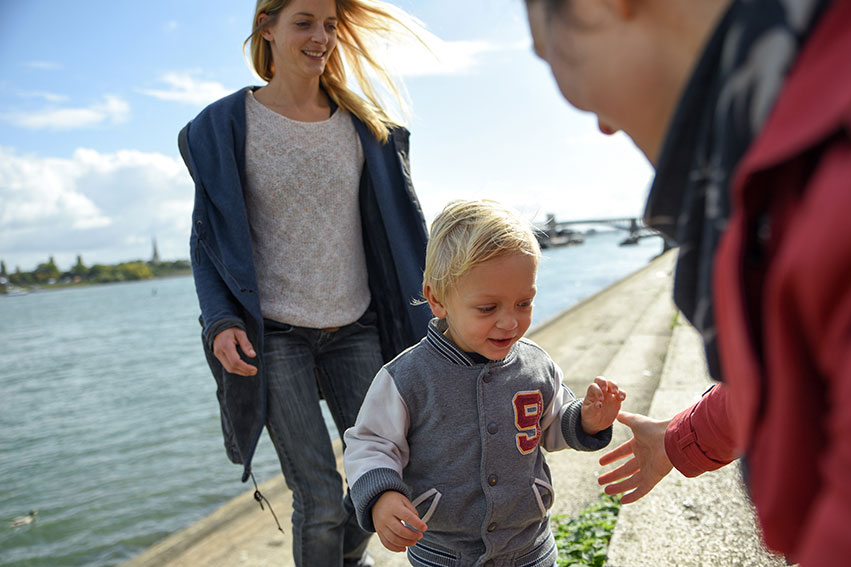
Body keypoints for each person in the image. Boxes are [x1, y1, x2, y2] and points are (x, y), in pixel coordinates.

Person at [523, 0, 851, 565]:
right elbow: (801, 362)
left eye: (551, 57)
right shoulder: (832, 147)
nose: (604, 124)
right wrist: (680, 439)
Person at [177, 1, 434, 565]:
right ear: (266, 27)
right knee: (318, 498)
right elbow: (205, 240)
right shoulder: (223, 127)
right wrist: (219, 320)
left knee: (384, 473)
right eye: (304, 22)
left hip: (357, 328)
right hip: (274, 337)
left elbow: (401, 230)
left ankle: (349, 559)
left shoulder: (365, 126)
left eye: (330, 26)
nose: (321, 37)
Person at [342, 200, 626, 567]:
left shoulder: (537, 366)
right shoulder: (406, 378)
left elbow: (553, 425)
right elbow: (370, 444)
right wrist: (381, 495)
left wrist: (587, 420)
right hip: (444, 553)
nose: (510, 322)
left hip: (530, 546)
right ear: (437, 299)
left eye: (524, 303)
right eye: (488, 308)